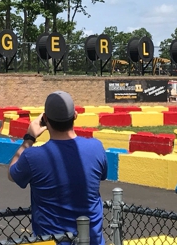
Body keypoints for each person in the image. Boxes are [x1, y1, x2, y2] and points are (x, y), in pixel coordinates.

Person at [8, 91, 108, 245]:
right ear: (75, 115)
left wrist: (29, 138)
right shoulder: (96, 147)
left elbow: (11, 173)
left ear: (45, 120)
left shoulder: (32, 157)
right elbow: (102, 175)